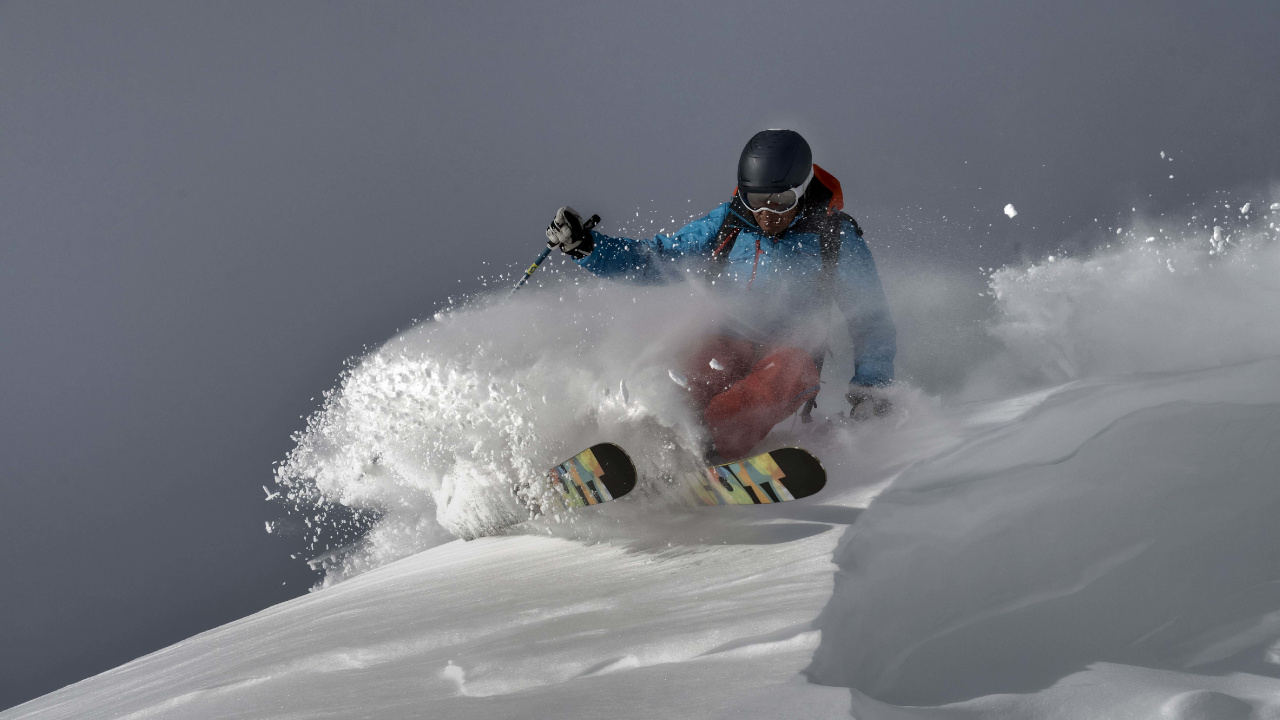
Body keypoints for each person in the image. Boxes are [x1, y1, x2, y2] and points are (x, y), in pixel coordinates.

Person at [545, 129, 896, 460]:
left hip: (791, 354)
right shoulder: (730, 222)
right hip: (728, 340)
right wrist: (588, 246)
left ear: (802, 190)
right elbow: (660, 257)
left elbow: (870, 319)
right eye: (756, 200)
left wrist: (871, 391)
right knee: (689, 377)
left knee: (774, 382)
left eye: (780, 201)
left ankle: (707, 452)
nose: (766, 214)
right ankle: (644, 447)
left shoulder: (834, 237)